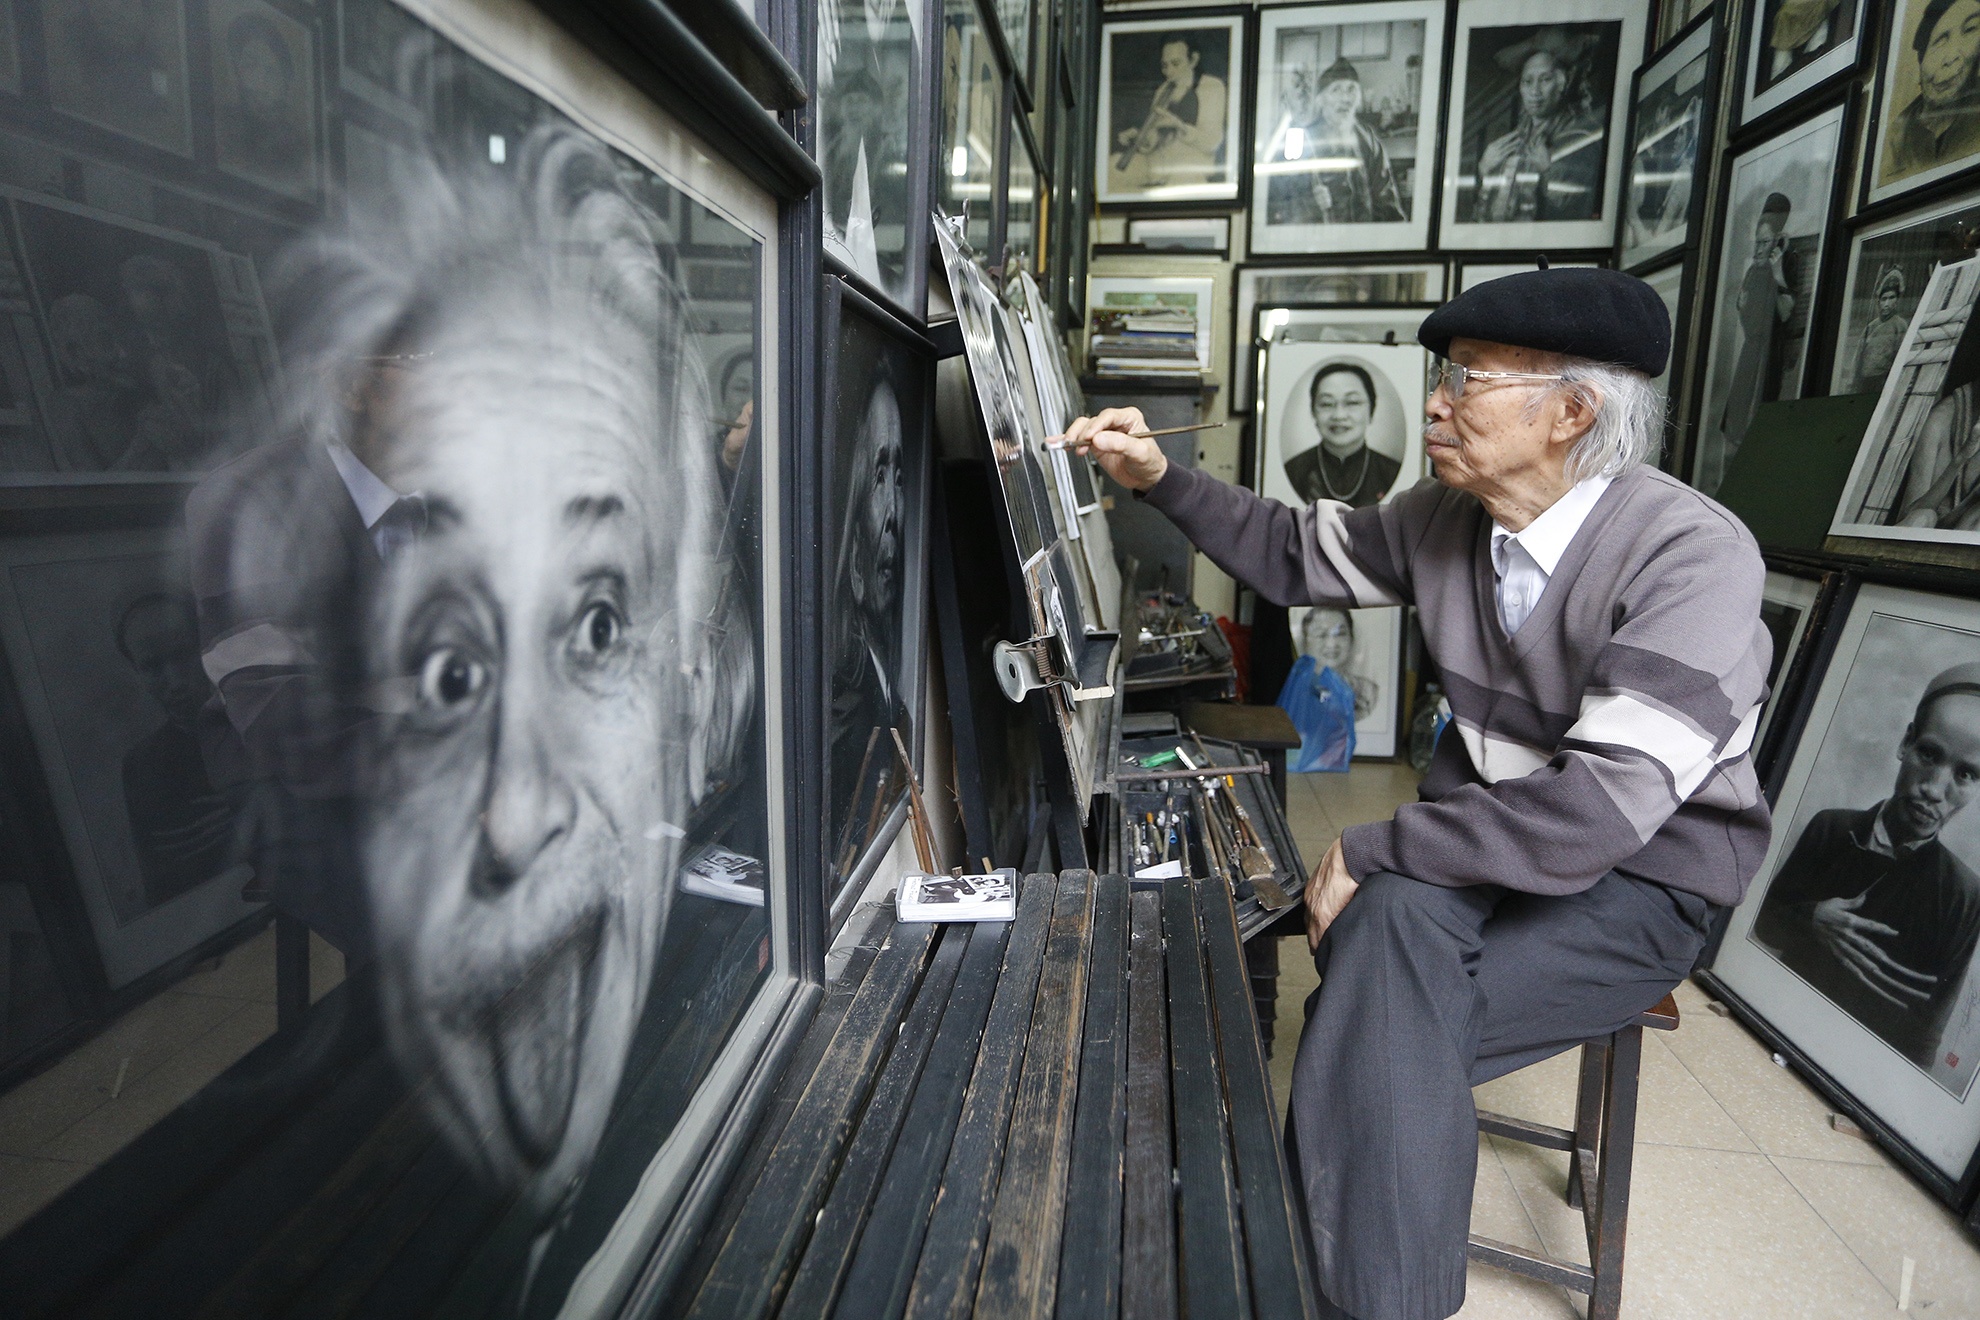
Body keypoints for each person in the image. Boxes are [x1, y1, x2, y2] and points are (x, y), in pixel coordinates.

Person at [1066, 266, 1770, 1320]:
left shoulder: (1690, 554)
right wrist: (1158, 474)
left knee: (1374, 991)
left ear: (1571, 411)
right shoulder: (1446, 518)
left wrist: (1377, 843)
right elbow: (1293, 553)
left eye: (1469, 380)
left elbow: (1594, 817)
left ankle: (1295, 1278)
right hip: (1488, 849)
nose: (1434, 402)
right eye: (1442, 374)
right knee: (1388, 965)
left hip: (1640, 883)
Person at [190, 124, 753, 1238]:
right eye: (403, 365)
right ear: (337, 371)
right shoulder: (258, 516)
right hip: (337, 822)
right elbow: (279, 729)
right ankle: (427, 1192)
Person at [1751, 665, 1980, 1071]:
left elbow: (1928, 1029)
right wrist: (1811, 916)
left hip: (1859, 1070)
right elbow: (1762, 924)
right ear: (1906, 742)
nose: (1933, 788)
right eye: (1929, 754)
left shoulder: (1965, 895)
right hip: (1773, 1024)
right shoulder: (1831, 828)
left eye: (1965, 774)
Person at [116, 591, 237, 909]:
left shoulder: (266, 721)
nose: (175, 681)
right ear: (137, 673)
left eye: (183, 656)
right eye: (153, 667)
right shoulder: (142, 767)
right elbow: (163, 889)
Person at [1472, 31, 1605, 223]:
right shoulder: (1511, 140)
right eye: (1528, 81)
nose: (1535, 91)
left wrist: (1548, 171)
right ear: (1520, 88)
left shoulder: (1580, 135)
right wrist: (1484, 168)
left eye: (1545, 80)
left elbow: (1584, 208)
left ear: (1561, 84)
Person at [1713, 192, 1798, 489]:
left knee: (1756, 427)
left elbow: (1786, 314)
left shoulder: (1783, 267)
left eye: (1765, 243)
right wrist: (1741, 304)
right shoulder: (1752, 271)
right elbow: (1749, 321)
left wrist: (1777, 274)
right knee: (1733, 424)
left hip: (1769, 358)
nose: (1759, 249)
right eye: (1757, 243)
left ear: (1777, 242)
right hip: (1750, 355)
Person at [1265, 59, 1406, 227]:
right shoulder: (1300, 137)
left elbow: (1386, 199)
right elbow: (1278, 196)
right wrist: (1309, 201)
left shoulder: (1367, 139)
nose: (1345, 98)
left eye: (1351, 89)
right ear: (1321, 99)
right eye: (1336, 90)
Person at [1109, 35, 1227, 193]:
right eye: (1164, 65)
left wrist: (1178, 125)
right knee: (1112, 167)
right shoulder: (1163, 90)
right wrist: (1140, 138)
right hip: (1157, 166)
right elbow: (1156, 139)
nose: (1169, 72)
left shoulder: (1212, 87)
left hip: (1190, 170)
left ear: (1193, 60)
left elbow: (1212, 142)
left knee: (1177, 186)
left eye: (1176, 64)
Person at [1284, 361, 1401, 509]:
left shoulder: (1389, 471)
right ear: (1313, 412)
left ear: (1371, 410)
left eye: (1352, 402)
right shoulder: (1294, 470)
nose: (1339, 415)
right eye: (1326, 404)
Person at [1886, 0, 1980, 179]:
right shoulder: (1898, 131)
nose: (1951, 58)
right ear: (1921, 59)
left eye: (1970, 30)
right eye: (1940, 41)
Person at [1854, 264, 1910, 393]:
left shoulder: (1900, 325)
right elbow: (1858, 359)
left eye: (1891, 298)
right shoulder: (1871, 326)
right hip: (1865, 383)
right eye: (1884, 299)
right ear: (1879, 301)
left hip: (1884, 381)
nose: (1887, 303)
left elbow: (1901, 356)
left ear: (1897, 300)